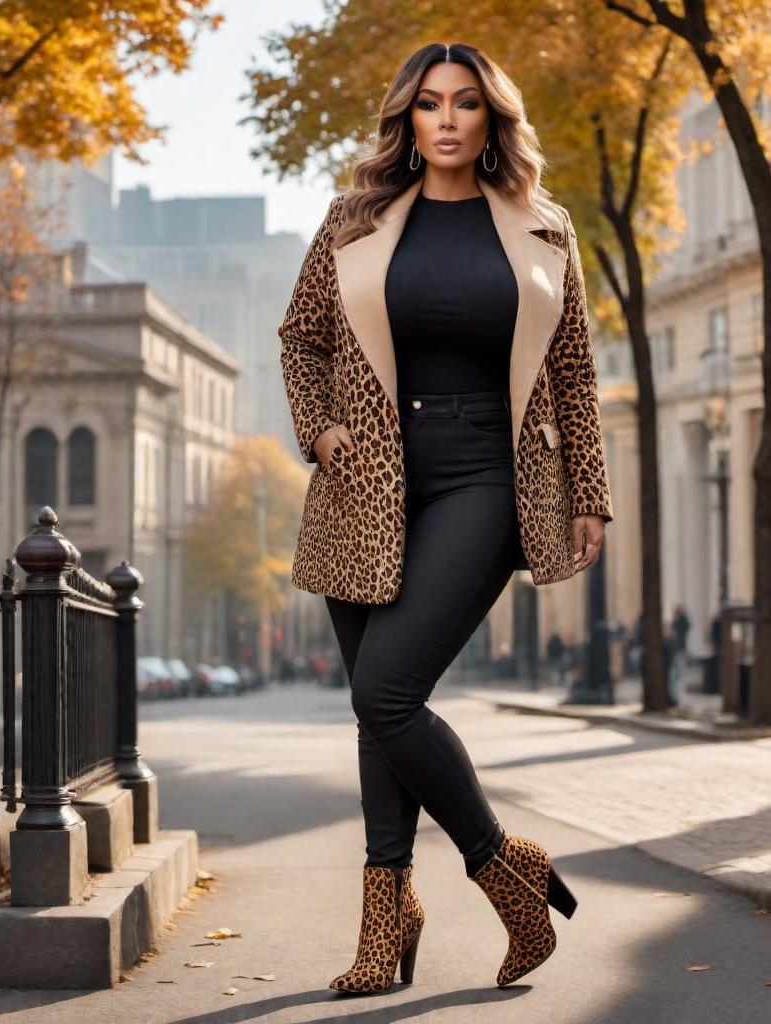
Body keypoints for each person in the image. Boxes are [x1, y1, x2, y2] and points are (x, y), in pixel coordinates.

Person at [278, 42, 613, 994]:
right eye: (431, 104)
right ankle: (386, 928)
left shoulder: (545, 230)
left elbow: (574, 373)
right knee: (374, 715)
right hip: (367, 485)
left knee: (385, 691)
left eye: (468, 103)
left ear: (492, 119)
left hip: (486, 476)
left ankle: (503, 868)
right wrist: (323, 427)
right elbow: (301, 339)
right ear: (409, 120)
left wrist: (590, 491)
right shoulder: (355, 219)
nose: (451, 118)